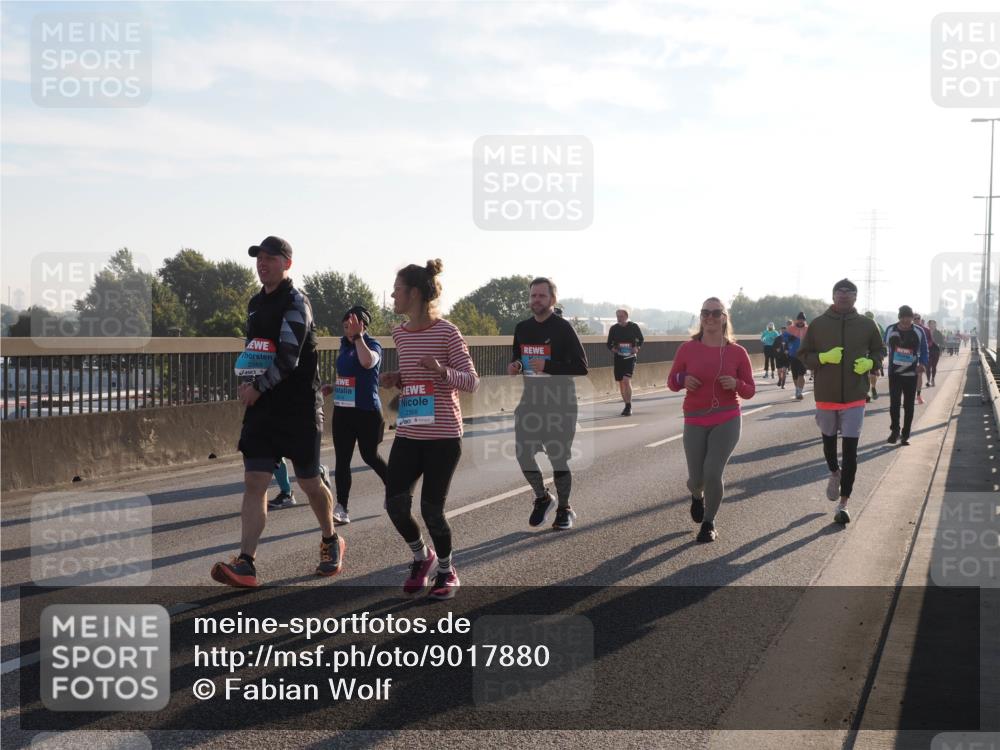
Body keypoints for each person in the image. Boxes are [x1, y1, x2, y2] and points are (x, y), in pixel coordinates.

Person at [212, 236, 343, 587]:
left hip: (299, 407)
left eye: (270, 258)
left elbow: (289, 357)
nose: (262, 263)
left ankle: (331, 539)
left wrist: (257, 387)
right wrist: (246, 380)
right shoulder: (255, 303)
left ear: (287, 263)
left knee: (309, 481)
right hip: (264, 408)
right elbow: (255, 350)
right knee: (255, 480)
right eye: (259, 258)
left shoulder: (297, 303)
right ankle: (246, 563)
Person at [380, 260, 479, 599]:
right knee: (395, 505)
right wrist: (398, 379)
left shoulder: (447, 332)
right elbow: (412, 378)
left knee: (431, 510)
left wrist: (442, 371)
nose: (393, 294)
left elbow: (472, 382)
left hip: (443, 436)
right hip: (409, 432)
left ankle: (447, 571)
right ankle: (422, 558)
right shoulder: (399, 333)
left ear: (415, 293)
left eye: (397, 289)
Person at [667, 297, 755, 542]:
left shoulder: (737, 352)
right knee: (697, 479)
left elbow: (750, 390)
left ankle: (709, 522)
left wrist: (736, 384)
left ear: (724, 318)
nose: (710, 317)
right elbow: (671, 382)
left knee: (713, 472)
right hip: (694, 418)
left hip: (727, 418)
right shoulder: (687, 349)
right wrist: (683, 379)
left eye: (716, 313)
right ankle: (697, 495)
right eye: (705, 312)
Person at [797, 279, 884, 525]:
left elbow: (880, 350)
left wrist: (871, 363)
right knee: (828, 446)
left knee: (851, 452)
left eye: (849, 292)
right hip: (826, 395)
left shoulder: (867, 325)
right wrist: (822, 358)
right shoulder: (818, 324)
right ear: (833, 295)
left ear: (856, 297)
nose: (844, 295)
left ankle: (844, 504)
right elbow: (803, 355)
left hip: (856, 396)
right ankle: (834, 472)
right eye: (839, 292)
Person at [510, 278, 590, 530]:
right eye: (533, 296)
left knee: (558, 459)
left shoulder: (563, 328)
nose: (536, 300)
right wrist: (516, 366)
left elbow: (581, 367)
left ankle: (565, 509)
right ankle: (542, 497)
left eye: (541, 296)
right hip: (530, 402)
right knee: (523, 454)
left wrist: (550, 367)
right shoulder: (522, 328)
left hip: (560, 403)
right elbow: (519, 359)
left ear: (552, 300)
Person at [320, 305, 388, 525]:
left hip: (367, 412)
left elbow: (367, 362)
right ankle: (343, 507)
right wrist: (334, 387)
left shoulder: (372, 345)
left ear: (362, 325)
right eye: (345, 325)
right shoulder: (343, 345)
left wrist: (359, 337)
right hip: (344, 411)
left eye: (351, 324)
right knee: (342, 460)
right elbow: (349, 376)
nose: (346, 328)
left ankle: (394, 489)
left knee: (369, 456)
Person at [883, 306, 929, 446]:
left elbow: (924, 350)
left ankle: (906, 434)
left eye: (908, 317)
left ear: (911, 317)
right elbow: (883, 346)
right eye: (903, 317)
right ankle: (895, 430)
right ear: (899, 317)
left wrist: (923, 364)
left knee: (909, 405)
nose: (906, 320)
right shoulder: (891, 329)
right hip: (894, 373)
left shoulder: (918, 331)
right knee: (894, 403)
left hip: (911, 373)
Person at [606, 308, 644, 416]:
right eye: (617, 316)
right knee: (621, 383)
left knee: (626, 380)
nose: (619, 318)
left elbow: (641, 339)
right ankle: (626, 405)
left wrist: (637, 347)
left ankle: (629, 406)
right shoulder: (614, 328)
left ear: (626, 316)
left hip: (630, 357)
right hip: (619, 358)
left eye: (621, 316)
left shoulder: (633, 326)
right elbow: (609, 343)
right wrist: (613, 349)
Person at [787, 312, 809, 400]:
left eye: (802, 319)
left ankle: (799, 391)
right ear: (797, 319)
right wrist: (789, 338)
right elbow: (784, 338)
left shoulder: (808, 329)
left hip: (803, 354)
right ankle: (797, 389)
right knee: (795, 375)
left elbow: (813, 339)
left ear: (804, 320)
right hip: (793, 355)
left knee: (801, 373)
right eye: (799, 319)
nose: (801, 321)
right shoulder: (791, 328)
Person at [863, 311, 884, 402]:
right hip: (873, 352)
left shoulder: (862, 325)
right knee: (872, 372)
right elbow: (882, 340)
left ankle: (868, 391)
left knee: (867, 373)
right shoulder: (878, 325)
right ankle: (873, 388)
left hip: (870, 351)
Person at [912, 314, 932, 404]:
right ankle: (909, 395)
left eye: (918, 318)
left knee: (919, 374)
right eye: (914, 318)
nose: (916, 320)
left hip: (921, 355)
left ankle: (919, 395)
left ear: (920, 319)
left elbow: (931, 340)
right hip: (909, 356)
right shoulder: (908, 329)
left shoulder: (926, 330)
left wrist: (926, 345)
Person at [926, 319, 944, 387]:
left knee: (934, 366)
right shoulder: (926, 332)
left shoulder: (938, 333)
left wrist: (940, 350)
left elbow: (942, 342)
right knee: (928, 367)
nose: (932, 325)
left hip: (936, 351)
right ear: (928, 325)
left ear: (935, 325)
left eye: (934, 324)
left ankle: (933, 379)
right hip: (928, 352)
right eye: (931, 324)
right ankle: (928, 380)